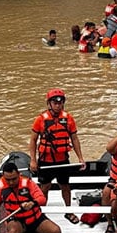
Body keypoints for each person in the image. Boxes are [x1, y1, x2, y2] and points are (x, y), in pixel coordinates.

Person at [29, 88, 86, 225]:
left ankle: (69, 211)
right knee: (45, 187)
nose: (58, 105)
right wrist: (33, 160)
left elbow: (74, 139)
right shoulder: (40, 120)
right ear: (49, 104)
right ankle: (41, 213)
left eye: (60, 103)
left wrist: (80, 158)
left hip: (62, 160)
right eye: (55, 102)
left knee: (65, 186)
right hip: (46, 160)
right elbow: (32, 140)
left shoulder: (68, 119)